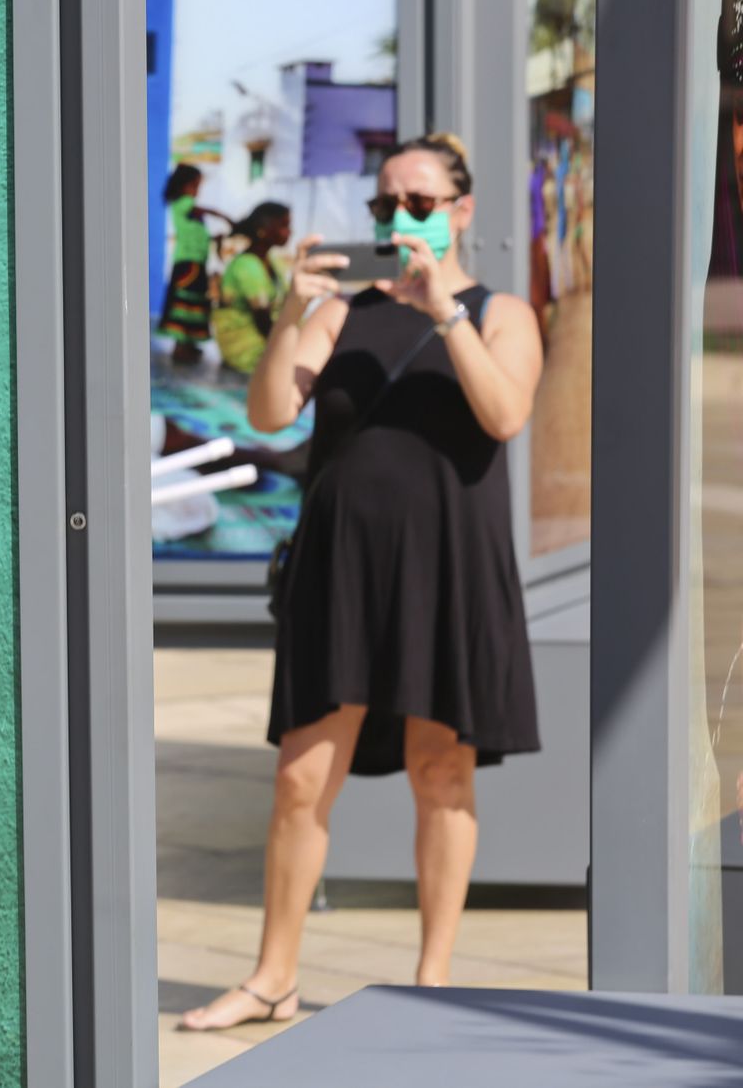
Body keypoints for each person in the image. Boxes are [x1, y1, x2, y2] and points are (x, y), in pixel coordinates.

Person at [179, 132, 543, 1031]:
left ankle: (433, 979)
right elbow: (269, 410)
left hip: (448, 568)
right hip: (340, 566)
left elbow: (503, 414)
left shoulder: (503, 312)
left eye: (417, 202)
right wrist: (292, 316)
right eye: (384, 205)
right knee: (302, 778)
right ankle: (273, 978)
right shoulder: (342, 311)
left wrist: (443, 310)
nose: (398, 218)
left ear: (459, 210)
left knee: (441, 772)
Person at [158, 163, 233, 364]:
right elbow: (198, 208)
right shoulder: (181, 204)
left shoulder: (194, 214)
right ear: (184, 185)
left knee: (197, 302)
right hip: (187, 264)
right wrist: (222, 215)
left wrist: (213, 239)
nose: (197, 190)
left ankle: (189, 344)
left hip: (197, 262)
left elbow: (197, 236)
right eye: (195, 185)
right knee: (186, 302)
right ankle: (180, 345)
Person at [212, 201, 292, 376]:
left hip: (265, 335)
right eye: (284, 226)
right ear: (263, 229)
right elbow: (262, 320)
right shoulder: (247, 266)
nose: (289, 232)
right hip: (245, 344)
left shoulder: (272, 261)